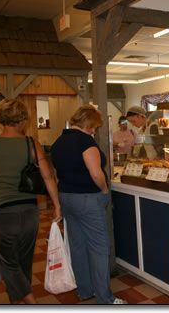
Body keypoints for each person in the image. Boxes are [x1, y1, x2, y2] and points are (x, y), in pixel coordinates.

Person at [0, 98, 62, 304]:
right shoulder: (31, 143)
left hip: (1, 215)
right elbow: (48, 177)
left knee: (9, 264)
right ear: (23, 119)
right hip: (29, 213)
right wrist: (56, 206)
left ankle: (30, 302)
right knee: (24, 262)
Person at [51, 105, 126, 305]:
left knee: (78, 246)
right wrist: (104, 190)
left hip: (66, 197)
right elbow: (95, 173)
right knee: (99, 248)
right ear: (89, 123)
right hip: (88, 199)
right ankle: (105, 298)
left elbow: (57, 174)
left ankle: (84, 290)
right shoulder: (86, 142)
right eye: (94, 126)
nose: (95, 130)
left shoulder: (59, 142)